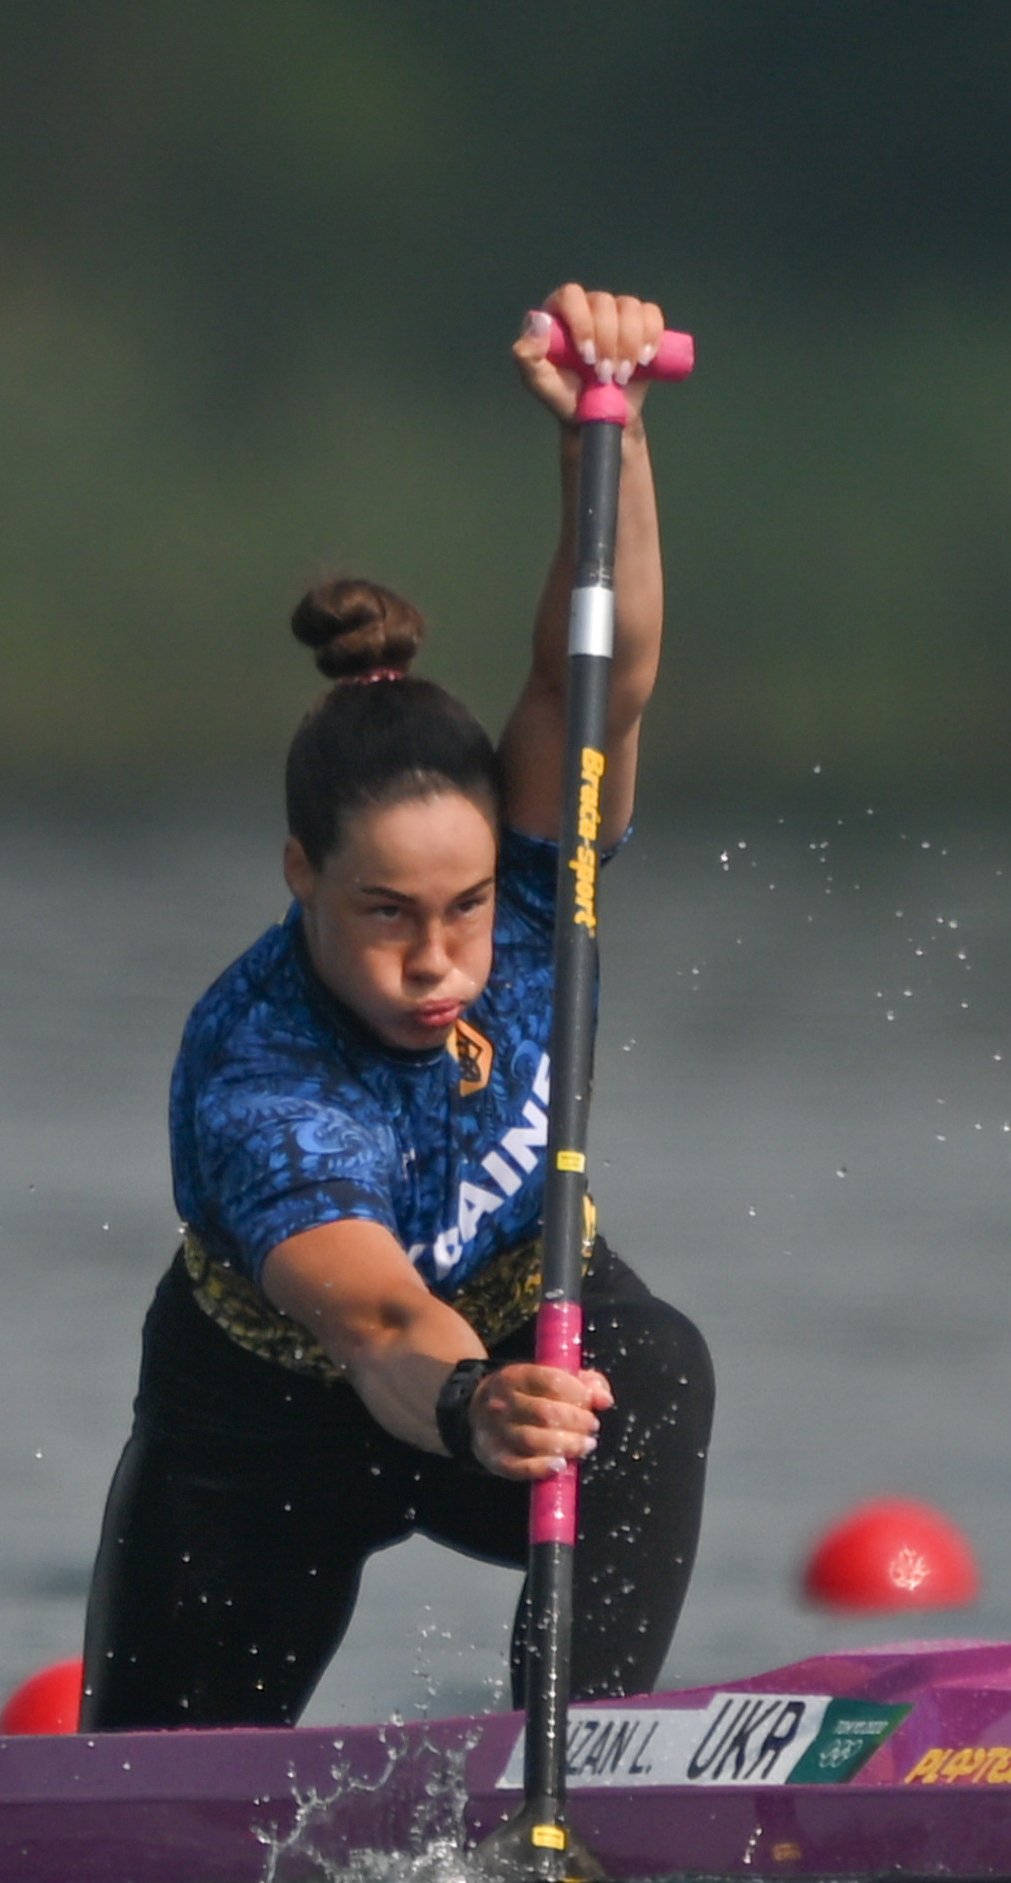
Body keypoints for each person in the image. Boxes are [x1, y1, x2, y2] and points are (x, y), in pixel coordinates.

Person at [81, 284, 708, 1731]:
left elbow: (598, 681)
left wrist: (603, 439)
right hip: (267, 1430)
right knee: (163, 1867)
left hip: (516, 1346)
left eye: (468, 908)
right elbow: (372, 1321)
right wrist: (474, 1401)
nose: (440, 963)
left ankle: (579, 1759)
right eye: (386, 915)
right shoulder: (258, 1073)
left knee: (657, 1368)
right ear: (302, 875)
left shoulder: (544, 887)